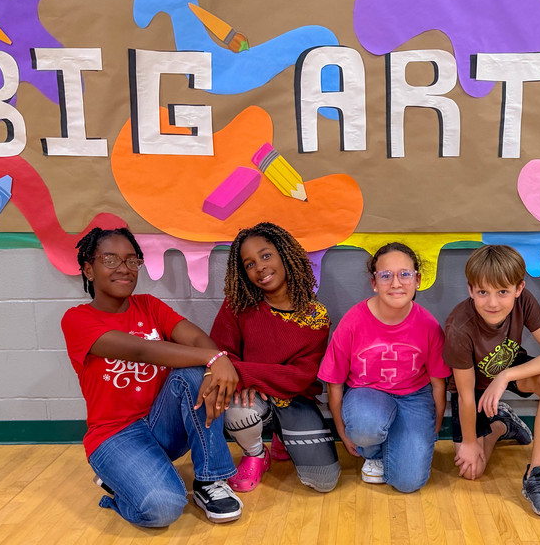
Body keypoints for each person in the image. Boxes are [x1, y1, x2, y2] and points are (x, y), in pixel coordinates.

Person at [61, 227, 243, 527]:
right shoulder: (78, 319)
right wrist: (217, 358)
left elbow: (197, 340)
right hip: (115, 436)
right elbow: (143, 351)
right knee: (163, 509)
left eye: (132, 260)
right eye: (111, 259)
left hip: (161, 423)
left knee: (197, 373)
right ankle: (118, 489)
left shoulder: (149, 305)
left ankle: (209, 480)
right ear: (88, 269)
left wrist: (215, 360)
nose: (124, 268)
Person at [210, 222, 340, 494]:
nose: (259, 267)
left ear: (284, 254)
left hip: (295, 399)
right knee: (238, 409)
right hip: (249, 394)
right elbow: (222, 355)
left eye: (266, 255)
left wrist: (246, 374)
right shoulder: (238, 304)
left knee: (324, 482)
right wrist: (244, 380)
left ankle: (284, 438)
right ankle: (256, 453)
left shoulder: (316, 316)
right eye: (249, 264)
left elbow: (301, 376)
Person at [443, 245, 540, 517]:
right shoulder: (459, 327)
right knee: (472, 471)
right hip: (473, 391)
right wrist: (468, 443)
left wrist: (505, 375)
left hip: (508, 370)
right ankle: (502, 425)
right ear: (470, 290)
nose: (492, 303)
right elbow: (465, 396)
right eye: (483, 292)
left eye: (502, 292)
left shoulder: (524, 302)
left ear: (519, 288)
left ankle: (535, 476)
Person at [318, 242, 450, 493]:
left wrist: (433, 427)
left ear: (418, 280)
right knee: (366, 427)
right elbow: (333, 382)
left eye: (405, 274)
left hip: (414, 398)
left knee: (408, 483)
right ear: (374, 283)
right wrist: (343, 433)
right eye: (386, 276)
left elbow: (438, 383)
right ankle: (374, 452)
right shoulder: (353, 322)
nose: (396, 283)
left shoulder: (429, 325)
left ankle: (397, 444)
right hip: (367, 395)